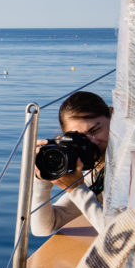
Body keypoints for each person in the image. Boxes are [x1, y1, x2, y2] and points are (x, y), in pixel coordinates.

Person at [30, 91, 111, 237]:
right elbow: (43, 228)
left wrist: (77, 189)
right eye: (80, 138)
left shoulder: (134, 160)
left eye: (95, 130)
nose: (92, 142)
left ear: (112, 115)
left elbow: (118, 235)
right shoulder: (96, 172)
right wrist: (42, 178)